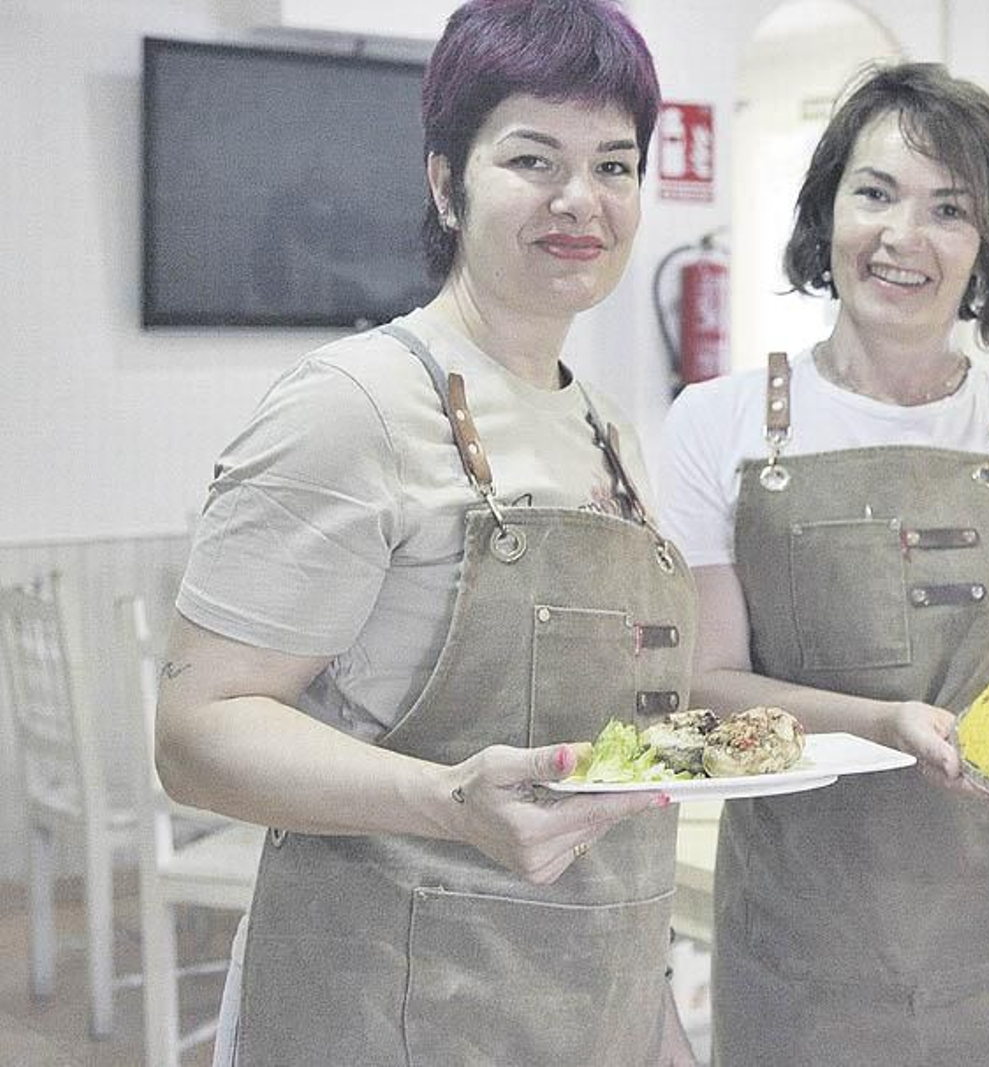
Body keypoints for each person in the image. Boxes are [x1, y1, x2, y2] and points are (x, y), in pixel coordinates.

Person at [155, 2, 699, 1063]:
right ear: (446, 181)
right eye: (532, 159)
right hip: (384, 1011)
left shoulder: (610, 428)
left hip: (592, 1008)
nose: (578, 200)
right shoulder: (351, 403)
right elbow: (196, 730)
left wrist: (655, 1019)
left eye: (615, 165)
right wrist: (443, 799)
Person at [661, 62, 989, 1065]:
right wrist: (881, 724)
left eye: (949, 209)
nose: (901, 236)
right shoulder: (717, 425)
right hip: (805, 950)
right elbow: (703, 684)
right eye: (874, 192)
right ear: (825, 207)